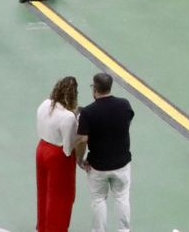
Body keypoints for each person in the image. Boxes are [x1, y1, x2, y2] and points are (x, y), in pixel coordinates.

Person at [77, 72, 134, 232]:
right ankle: (124, 230)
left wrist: (80, 160)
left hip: (98, 166)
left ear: (95, 88)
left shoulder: (87, 113)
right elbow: (127, 122)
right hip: (122, 164)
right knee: (122, 198)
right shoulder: (125, 105)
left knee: (98, 200)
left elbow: (82, 140)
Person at [36, 76, 79, 232]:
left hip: (41, 149)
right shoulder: (68, 117)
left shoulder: (44, 104)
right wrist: (79, 137)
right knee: (60, 197)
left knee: (44, 192)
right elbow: (68, 149)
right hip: (58, 157)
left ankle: (42, 226)